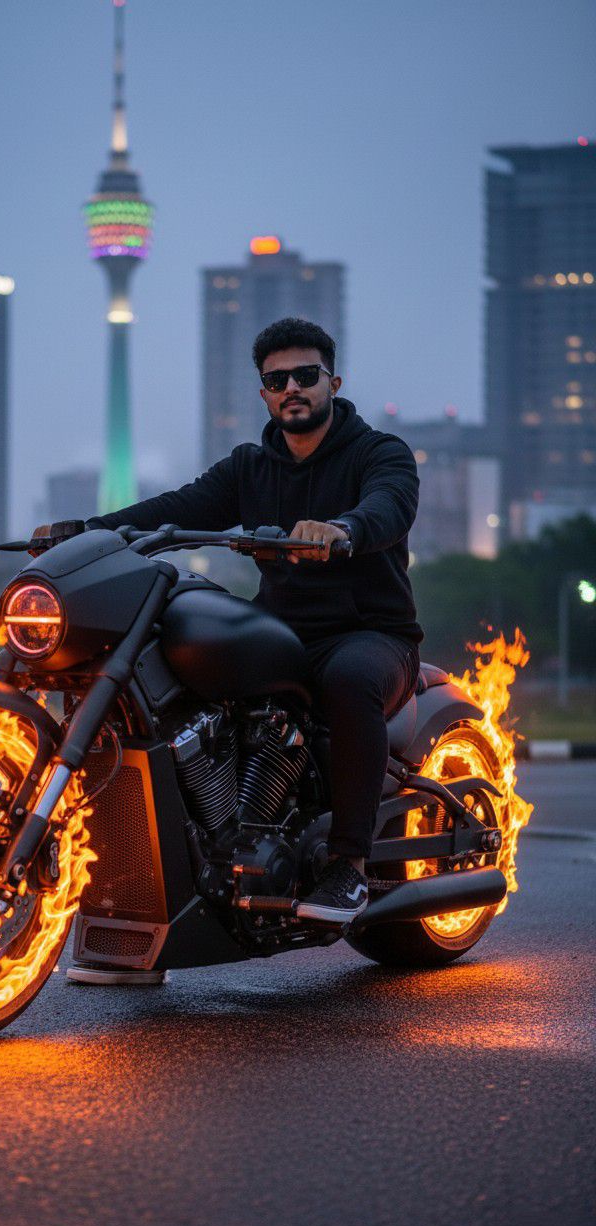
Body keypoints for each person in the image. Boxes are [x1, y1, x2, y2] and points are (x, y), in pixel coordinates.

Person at [35, 317, 421, 924]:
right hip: (284, 634)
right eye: (276, 379)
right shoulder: (250, 466)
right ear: (263, 393)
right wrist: (85, 534)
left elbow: (388, 506)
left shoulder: (380, 453)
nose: (291, 387)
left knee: (349, 680)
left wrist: (343, 529)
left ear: (334, 382)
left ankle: (349, 867)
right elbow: (173, 509)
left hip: (370, 634)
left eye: (305, 375)